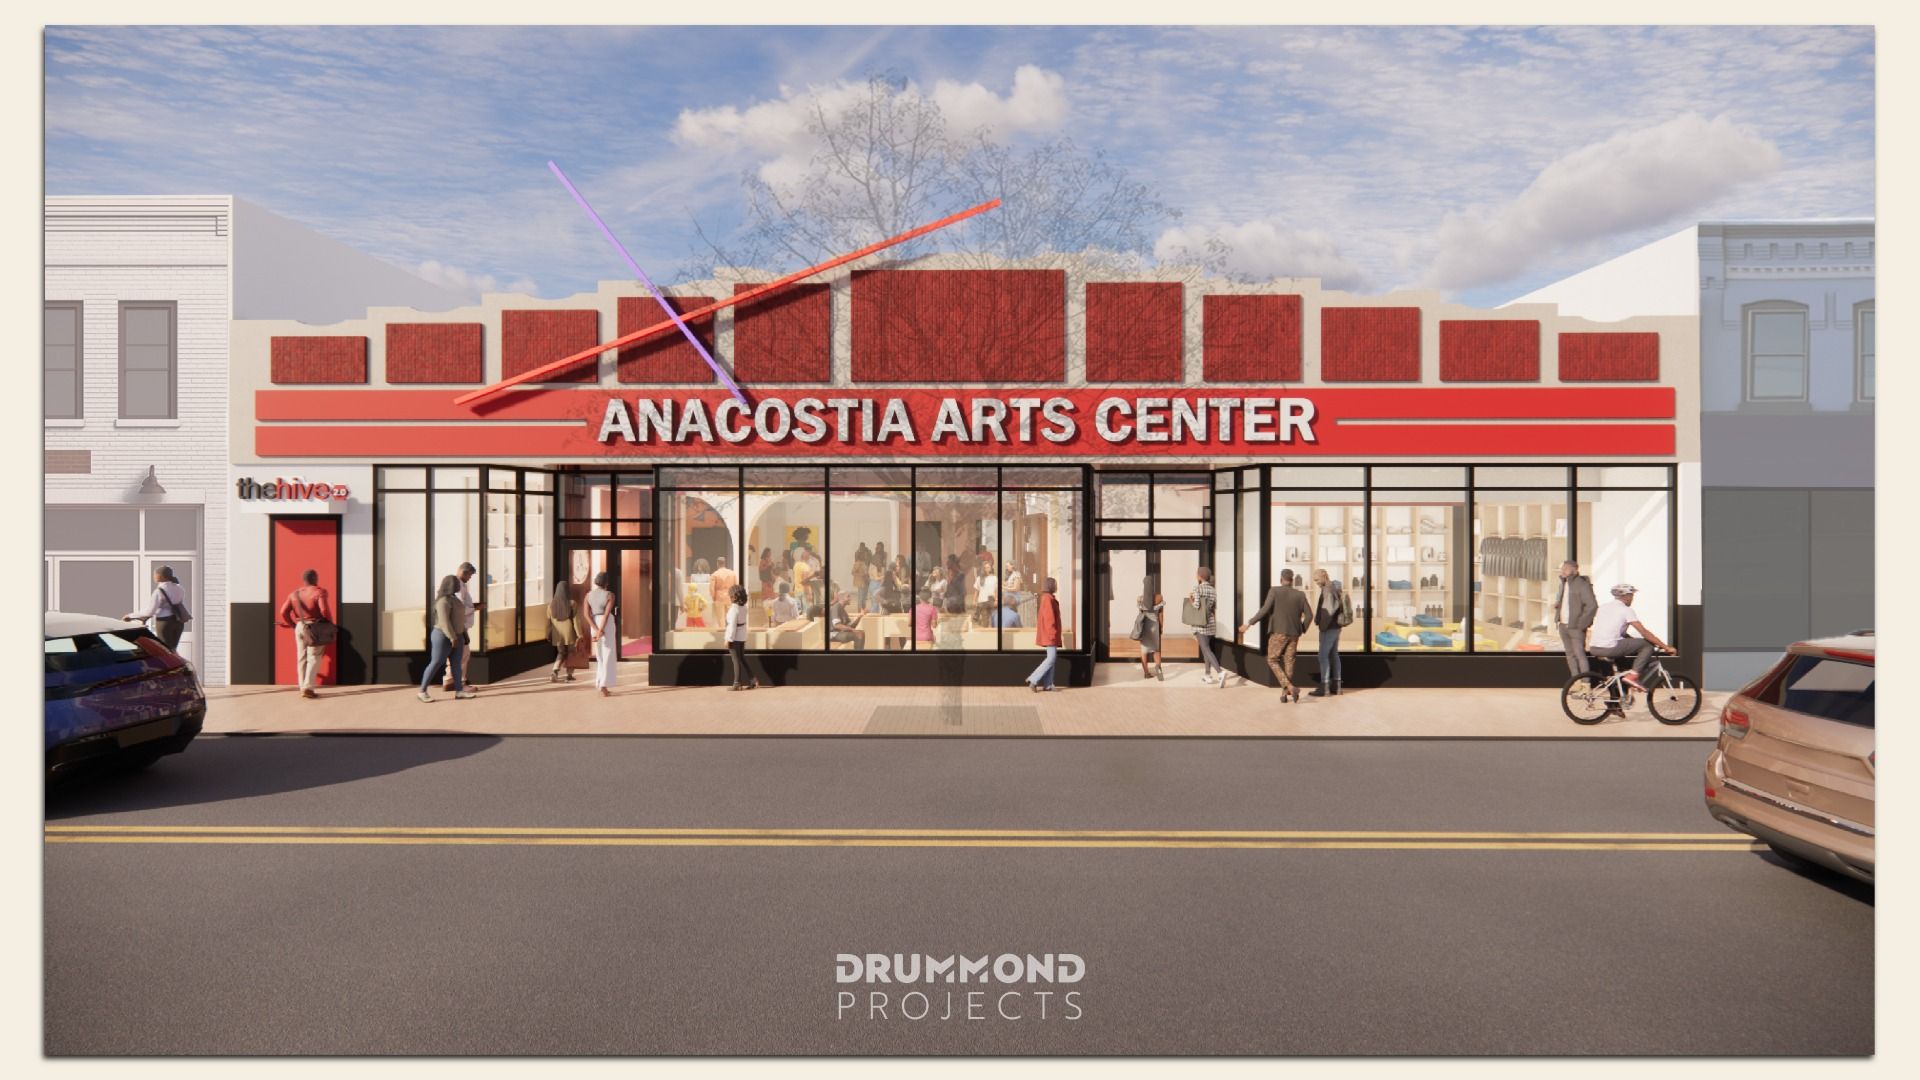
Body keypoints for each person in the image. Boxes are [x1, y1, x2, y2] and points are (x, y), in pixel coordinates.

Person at [1241, 569, 1314, 701]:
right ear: (1292, 580)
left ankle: (1290, 688)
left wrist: (1249, 623)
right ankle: (1284, 694)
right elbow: (1309, 615)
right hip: (1294, 634)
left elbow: (1265, 609)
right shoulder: (1300, 594)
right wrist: (1301, 629)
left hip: (1278, 632)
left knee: (1272, 660)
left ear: (1281, 579)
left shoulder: (1274, 591)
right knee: (1289, 661)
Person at [1588, 584, 1673, 696]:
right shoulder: (1626, 610)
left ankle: (1618, 701)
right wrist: (1665, 647)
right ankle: (1633, 676)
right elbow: (1644, 632)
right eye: (1631, 595)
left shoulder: (1603, 607)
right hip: (1610, 647)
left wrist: (1633, 642)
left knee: (1624, 668)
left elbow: (1616, 632)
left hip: (1595, 647)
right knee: (1647, 645)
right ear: (1626, 596)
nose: (1633, 598)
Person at [276, 568, 334, 699]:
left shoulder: (294, 594)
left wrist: (293, 625)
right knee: (314, 657)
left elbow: (283, 612)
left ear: (304, 580)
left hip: (300, 627)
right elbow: (324, 610)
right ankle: (308, 687)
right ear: (315, 578)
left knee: (301, 658)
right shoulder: (319, 592)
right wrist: (330, 623)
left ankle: (303, 687)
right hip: (315, 628)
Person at [418, 575, 472, 702]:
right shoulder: (442, 601)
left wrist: (464, 634)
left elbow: (459, 619)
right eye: (456, 583)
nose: (459, 585)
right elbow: (444, 622)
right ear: (449, 585)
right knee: (436, 662)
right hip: (443, 636)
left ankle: (459, 691)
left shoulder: (455, 599)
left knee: (456, 665)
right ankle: (422, 691)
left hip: (457, 636)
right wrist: (453, 637)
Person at [1551, 560, 1599, 681]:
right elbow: (1566, 603)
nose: (1563, 571)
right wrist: (1558, 605)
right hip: (1562, 624)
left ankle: (1585, 683)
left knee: (1579, 654)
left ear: (1575, 570)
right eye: (1562, 568)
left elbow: (1592, 606)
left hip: (1576, 627)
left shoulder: (1582, 584)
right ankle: (1575, 681)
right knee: (1570, 655)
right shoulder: (1563, 584)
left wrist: (1582, 624)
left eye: (1566, 569)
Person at [125, 565, 189, 655]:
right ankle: (179, 666)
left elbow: (150, 611)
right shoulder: (179, 588)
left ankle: (170, 666)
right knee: (172, 649)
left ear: (161, 576)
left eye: (155, 574)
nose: (154, 576)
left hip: (165, 623)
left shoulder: (160, 591)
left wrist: (130, 616)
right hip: (179, 621)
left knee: (165, 650)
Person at [442, 561, 481, 692]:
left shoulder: (459, 584)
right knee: (463, 654)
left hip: (458, 626)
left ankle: (450, 680)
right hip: (459, 626)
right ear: (464, 572)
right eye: (469, 576)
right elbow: (460, 608)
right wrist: (475, 608)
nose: (470, 579)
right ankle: (459, 681)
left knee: (456, 654)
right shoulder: (458, 586)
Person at [1309, 568, 1349, 696]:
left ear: (1323, 577)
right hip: (1336, 626)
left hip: (1329, 628)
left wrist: (1322, 627)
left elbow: (1328, 611)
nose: (1315, 582)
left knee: (1322, 656)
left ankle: (1324, 687)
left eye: (1316, 579)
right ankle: (1337, 687)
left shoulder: (1328, 590)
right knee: (1333, 655)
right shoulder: (1334, 587)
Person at [1024, 577, 1063, 692]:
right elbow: (1049, 619)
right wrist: (1053, 634)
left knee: (1051, 659)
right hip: (1050, 634)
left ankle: (1048, 684)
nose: (1057, 586)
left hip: (1050, 634)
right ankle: (1033, 679)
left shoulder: (1048, 598)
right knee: (1051, 658)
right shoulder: (1047, 599)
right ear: (1051, 586)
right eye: (1055, 584)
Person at [584, 570, 618, 697]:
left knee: (599, 656)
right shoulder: (610, 595)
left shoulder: (588, 595)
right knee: (608, 653)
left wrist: (595, 628)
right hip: (606, 624)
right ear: (606, 582)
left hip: (594, 623)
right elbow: (607, 614)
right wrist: (601, 630)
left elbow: (586, 614)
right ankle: (604, 685)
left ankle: (599, 682)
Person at [1188, 567, 1224, 686]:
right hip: (1210, 623)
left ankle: (1220, 672)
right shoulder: (1213, 590)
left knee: (1206, 649)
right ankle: (1207, 675)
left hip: (1200, 624)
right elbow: (1214, 607)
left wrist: (1191, 600)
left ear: (1199, 576)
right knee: (1206, 649)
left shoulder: (1197, 588)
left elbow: (1197, 605)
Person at [725, 584, 758, 691]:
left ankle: (737, 683)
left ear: (734, 597)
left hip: (734, 638)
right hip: (742, 636)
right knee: (742, 659)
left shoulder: (734, 609)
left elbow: (732, 625)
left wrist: (728, 639)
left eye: (730, 596)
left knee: (736, 660)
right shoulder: (743, 607)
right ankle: (753, 680)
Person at [547, 578, 579, 683]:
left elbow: (549, 622)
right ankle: (569, 675)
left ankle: (554, 671)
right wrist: (580, 634)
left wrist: (548, 634)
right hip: (569, 633)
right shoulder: (572, 603)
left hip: (557, 634)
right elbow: (576, 621)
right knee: (571, 653)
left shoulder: (551, 605)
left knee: (561, 653)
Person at [1132, 586, 1165, 681]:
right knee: (1156, 650)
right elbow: (1161, 614)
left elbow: (1140, 613)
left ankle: (1146, 673)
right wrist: (1161, 627)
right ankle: (1158, 669)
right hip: (1155, 625)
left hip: (1144, 626)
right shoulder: (1159, 597)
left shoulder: (1140, 598)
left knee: (1144, 651)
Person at [850, 543, 872, 612]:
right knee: (860, 598)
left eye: (864, 554)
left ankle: (863, 610)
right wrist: (862, 574)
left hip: (866, 582)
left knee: (864, 598)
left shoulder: (866, 563)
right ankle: (859, 611)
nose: (864, 555)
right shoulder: (858, 563)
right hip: (860, 582)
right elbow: (853, 572)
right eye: (863, 554)